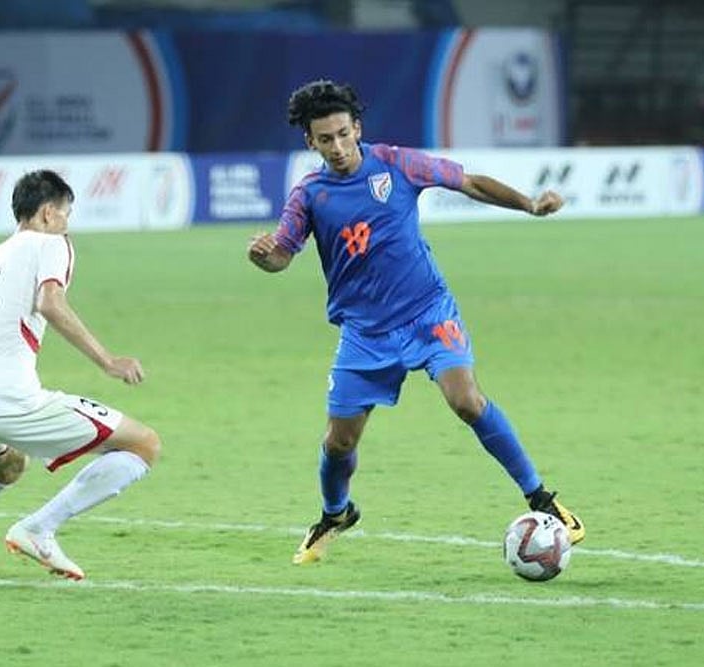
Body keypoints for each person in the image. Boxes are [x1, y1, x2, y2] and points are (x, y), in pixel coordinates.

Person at [247, 80, 584, 565]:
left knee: (466, 400)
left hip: (428, 312)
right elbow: (282, 255)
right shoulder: (310, 196)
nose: (337, 147)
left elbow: (469, 182)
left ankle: (542, 498)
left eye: (343, 134)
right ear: (310, 142)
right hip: (365, 333)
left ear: (357, 128)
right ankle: (335, 514)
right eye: (325, 139)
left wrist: (530, 205)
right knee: (339, 441)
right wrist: (263, 257)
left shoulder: (397, 163)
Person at [0, 170, 160, 583]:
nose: (68, 224)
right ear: (48, 213)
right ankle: (40, 528)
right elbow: (51, 303)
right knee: (144, 444)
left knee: (8, 465)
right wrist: (108, 361)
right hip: (9, 399)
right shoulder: (52, 243)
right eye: (66, 214)